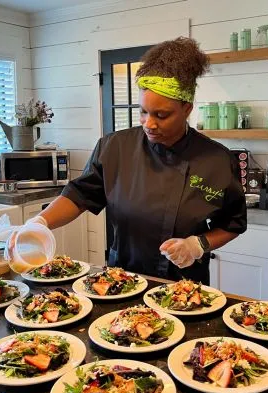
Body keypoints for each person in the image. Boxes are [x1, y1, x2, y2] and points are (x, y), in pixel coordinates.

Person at [31, 37, 247, 285]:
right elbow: (79, 196)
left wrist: (198, 244)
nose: (149, 124)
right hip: (121, 281)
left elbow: (233, 224)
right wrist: (40, 222)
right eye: (143, 112)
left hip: (183, 286)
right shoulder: (114, 147)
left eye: (162, 115)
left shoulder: (217, 159)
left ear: (187, 109)